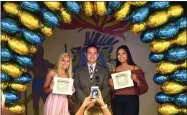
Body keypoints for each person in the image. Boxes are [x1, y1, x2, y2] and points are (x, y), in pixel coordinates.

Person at [109, 45, 148, 115]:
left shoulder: (135, 69)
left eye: (123, 53)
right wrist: (111, 85)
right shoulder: (114, 71)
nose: (121, 56)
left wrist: (137, 80)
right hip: (117, 101)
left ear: (128, 54)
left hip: (131, 101)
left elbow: (145, 88)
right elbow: (112, 91)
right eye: (118, 54)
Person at [73, 44, 111, 113]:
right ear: (86, 54)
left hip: (98, 107)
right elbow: (76, 88)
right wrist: (87, 101)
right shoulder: (78, 70)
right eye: (90, 53)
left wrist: (95, 100)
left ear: (98, 55)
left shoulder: (104, 71)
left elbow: (106, 88)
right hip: (81, 105)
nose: (92, 56)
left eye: (94, 53)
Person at [30, 46, 54, 115]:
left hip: (44, 83)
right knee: (35, 104)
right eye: (37, 52)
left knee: (47, 103)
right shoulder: (32, 63)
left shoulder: (45, 62)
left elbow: (54, 67)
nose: (39, 53)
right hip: (36, 84)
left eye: (40, 52)